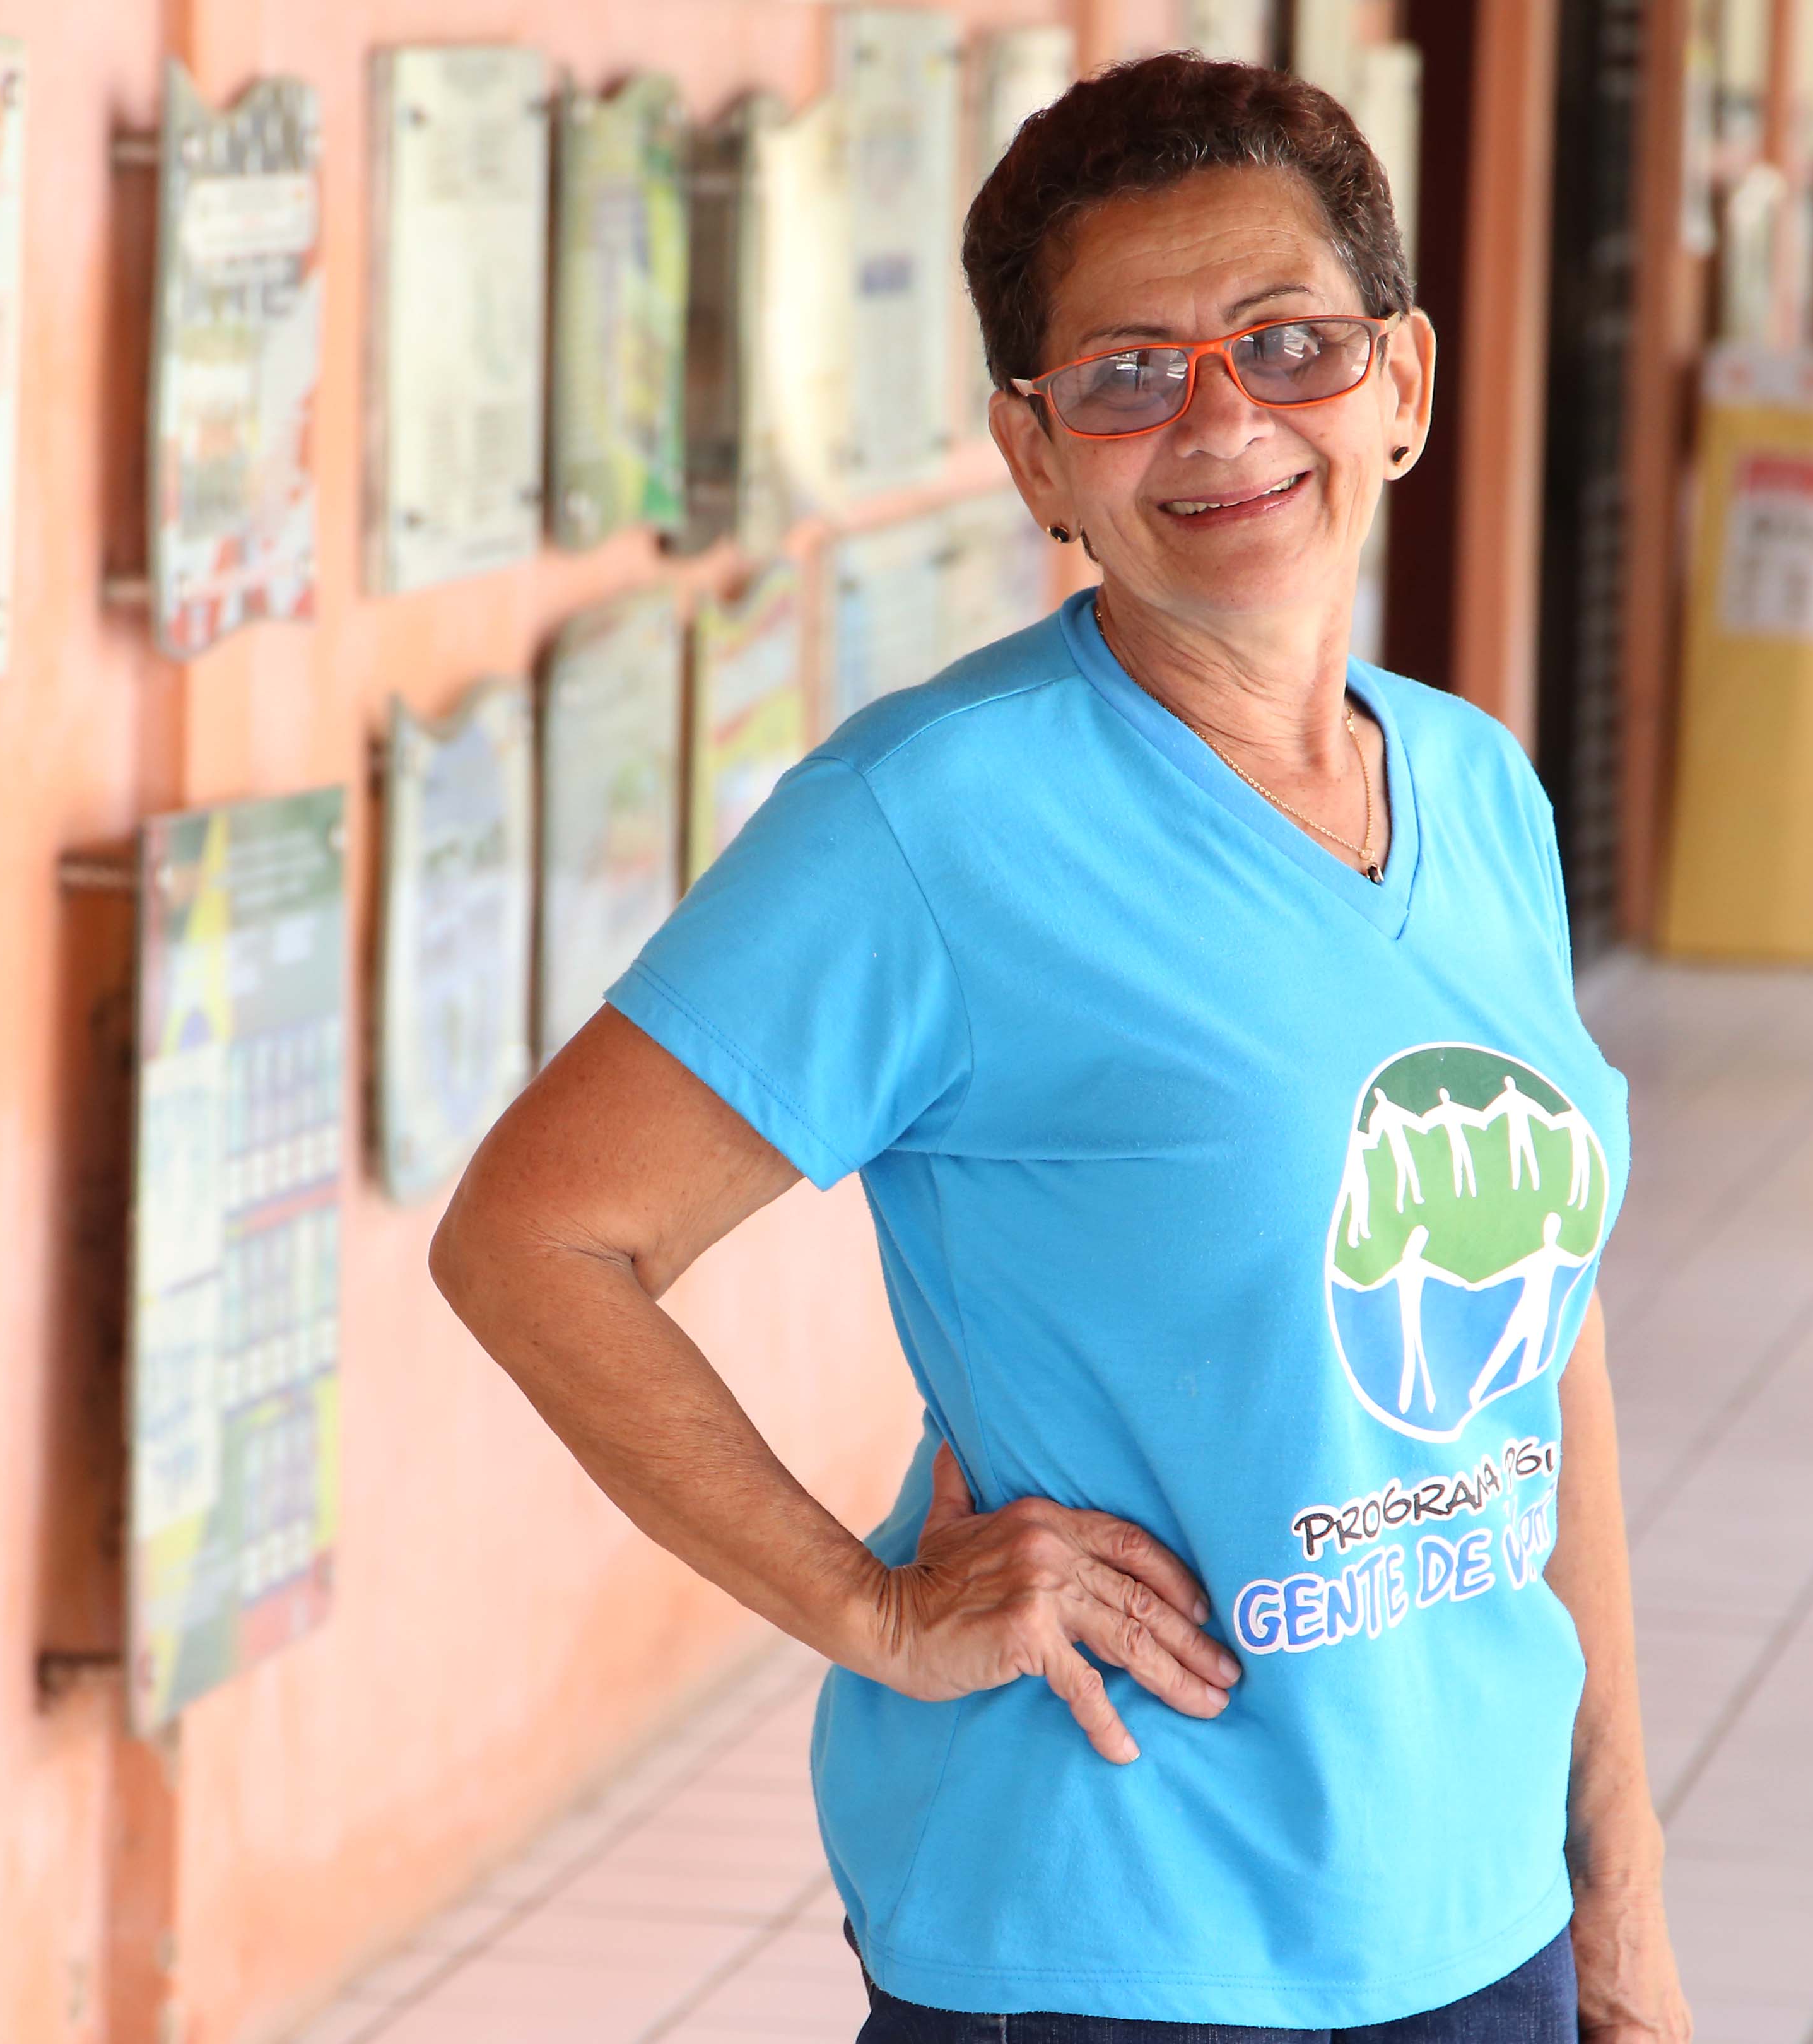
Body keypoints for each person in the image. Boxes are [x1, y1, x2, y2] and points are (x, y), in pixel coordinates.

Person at [432, 54, 1686, 2044]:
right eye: (1125, 371)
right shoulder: (935, 823)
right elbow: (534, 1236)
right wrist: (875, 1609)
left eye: (1288, 343)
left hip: (1475, 1907)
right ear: (1038, 460)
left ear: (1404, 386)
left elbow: (1552, 1357)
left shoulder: (1484, 793)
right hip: (1118, 1933)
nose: (1220, 419)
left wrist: (1614, 1898)